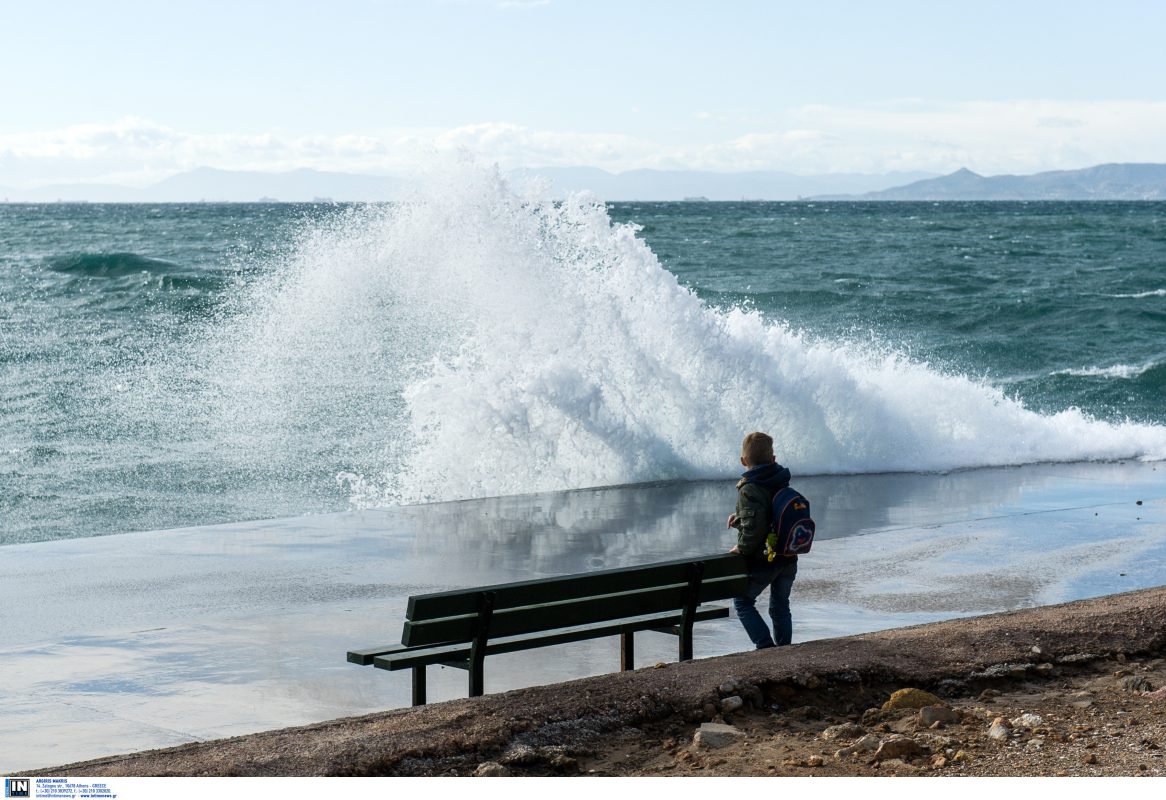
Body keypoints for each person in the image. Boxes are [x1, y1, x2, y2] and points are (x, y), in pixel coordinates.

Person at [726, 431, 797, 649]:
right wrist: (740, 520)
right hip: (788, 556)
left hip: (764, 559)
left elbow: (755, 528)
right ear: (773, 459)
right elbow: (769, 516)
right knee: (780, 605)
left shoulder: (749, 488)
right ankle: (784, 648)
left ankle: (765, 647)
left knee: (743, 602)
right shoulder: (781, 480)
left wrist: (742, 549)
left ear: (743, 461)